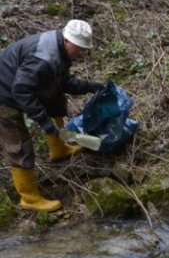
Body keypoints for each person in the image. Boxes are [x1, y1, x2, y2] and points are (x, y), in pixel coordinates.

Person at [0, 19, 104, 212]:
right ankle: (29, 199)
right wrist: (44, 121)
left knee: (55, 98)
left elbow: (62, 81)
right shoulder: (42, 58)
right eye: (80, 48)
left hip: (19, 84)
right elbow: (21, 91)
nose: (82, 53)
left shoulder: (59, 49)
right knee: (18, 145)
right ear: (67, 40)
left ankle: (59, 150)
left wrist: (89, 87)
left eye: (84, 49)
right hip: (4, 93)